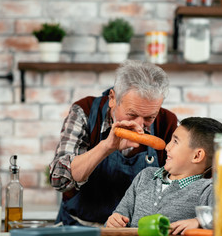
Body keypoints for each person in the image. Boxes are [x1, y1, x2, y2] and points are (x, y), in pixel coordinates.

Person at [49, 60, 178, 226]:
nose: (139, 125)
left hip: (136, 231)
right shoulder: (85, 112)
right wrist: (106, 147)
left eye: (149, 117)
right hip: (79, 228)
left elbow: (182, 188)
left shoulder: (168, 123)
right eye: (132, 114)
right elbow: (59, 180)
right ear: (112, 98)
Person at [106, 117, 222, 235]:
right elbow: (119, 216)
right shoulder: (145, 176)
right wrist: (114, 221)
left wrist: (198, 222)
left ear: (197, 156)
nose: (167, 147)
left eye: (175, 141)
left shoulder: (207, 189)